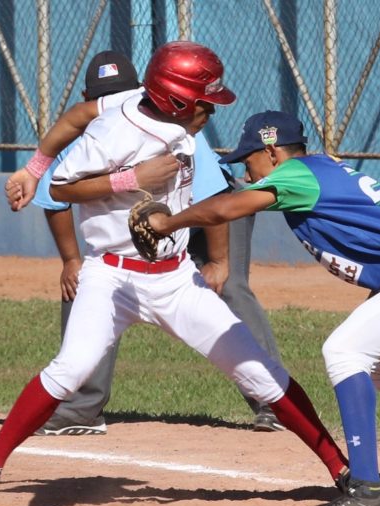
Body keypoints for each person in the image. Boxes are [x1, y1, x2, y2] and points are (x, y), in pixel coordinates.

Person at [0, 42, 351, 506]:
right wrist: (122, 177)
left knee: (260, 372)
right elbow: (63, 187)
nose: (211, 109)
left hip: (175, 279)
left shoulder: (149, 103)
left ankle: (344, 473)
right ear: (178, 99)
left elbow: (77, 113)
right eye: (205, 99)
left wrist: (32, 165)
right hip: (112, 278)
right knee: (71, 368)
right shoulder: (117, 130)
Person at [145, 110, 380, 506]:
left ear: (272, 151)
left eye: (249, 160)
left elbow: (226, 208)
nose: (247, 171)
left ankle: (365, 494)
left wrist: (167, 222)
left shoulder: (297, 174)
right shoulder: (321, 170)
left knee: (344, 351)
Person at [29, 51, 284, 436]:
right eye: (104, 95)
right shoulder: (89, 137)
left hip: (211, 214)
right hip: (150, 229)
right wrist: (70, 261)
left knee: (227, 286)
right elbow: (56, 198)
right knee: (84, 284)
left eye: (122, 92)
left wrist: (216, 262)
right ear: (88, 98)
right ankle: (82, 407)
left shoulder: (175, 129)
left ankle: (273, 401)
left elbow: (211, 196)